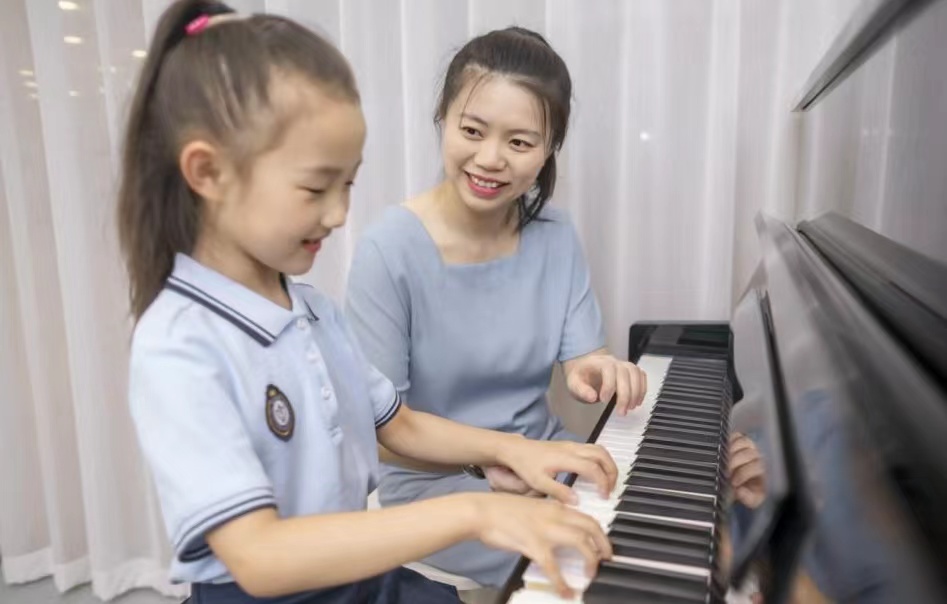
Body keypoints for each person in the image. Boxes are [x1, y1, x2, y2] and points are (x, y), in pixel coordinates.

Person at [117, 3, 618, 602]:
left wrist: (511, 450)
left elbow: (399, 423)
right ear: (208, 172)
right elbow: (257, 557)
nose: (338, 214)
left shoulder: (308, 310)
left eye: (347, 184)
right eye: (315, 188)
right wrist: (475, 513)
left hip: (355, 575)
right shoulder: (180, 344)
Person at [344, 26, 648, 587]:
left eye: (520, 142)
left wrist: (600, 370)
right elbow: (384, 430)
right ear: (442, 119)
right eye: (472, 131)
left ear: (550, 148)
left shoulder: (556, 233)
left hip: (543, 459)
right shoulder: (389, 250)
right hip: (435, 487)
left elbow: (584, 357)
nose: (490, 159)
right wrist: (497, 456)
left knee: (661, 523)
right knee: (603, 563)